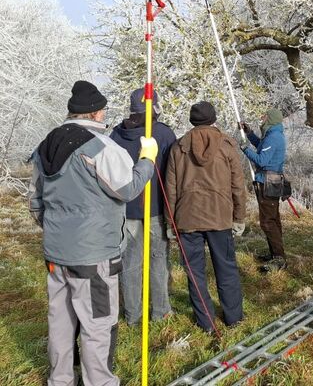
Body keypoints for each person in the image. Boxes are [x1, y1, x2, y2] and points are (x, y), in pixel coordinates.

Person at [29, 80, 157, 386]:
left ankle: (60, 380)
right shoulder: (102, 147)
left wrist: (57, 231)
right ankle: (98, 381)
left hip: (56, 254)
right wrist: (147, 161)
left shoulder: (44, 145)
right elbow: (127, 188)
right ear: (97, 113)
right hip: (95, 256)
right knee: (98, 323)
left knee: (60, 322)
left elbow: (36, 202)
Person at [165, 101, 246, 332]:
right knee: (226, 267)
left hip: (187, 218)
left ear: (192, 120)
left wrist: (170, 221)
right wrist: (239, 216)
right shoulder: (227, 146)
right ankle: (234, 318)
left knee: (195, 272)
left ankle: (206, 322)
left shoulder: (178, 148)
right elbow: (238, 186)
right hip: (220, 217)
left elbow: (170, 188)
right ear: (214, 118)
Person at [110, 88, 176, 325]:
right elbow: (173, 172)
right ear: (154, 107)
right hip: (156, 209)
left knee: (130, 264)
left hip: (127, 210)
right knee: (158, 261)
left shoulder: (116, 135)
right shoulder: (163, 133)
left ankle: (133, 315)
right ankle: (160, 312)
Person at [240, 108, 287, 272]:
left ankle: (279, 258)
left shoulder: (273, 137)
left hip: (268, 183)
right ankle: (276, 253)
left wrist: (245, 149)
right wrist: (249, 133)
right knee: (273, 220)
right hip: (270, 181)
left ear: (271, 119)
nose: (262, 118)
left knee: (268, 222)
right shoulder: (272, 135)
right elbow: (261, 146)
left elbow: (262, 160)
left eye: (265, 116)